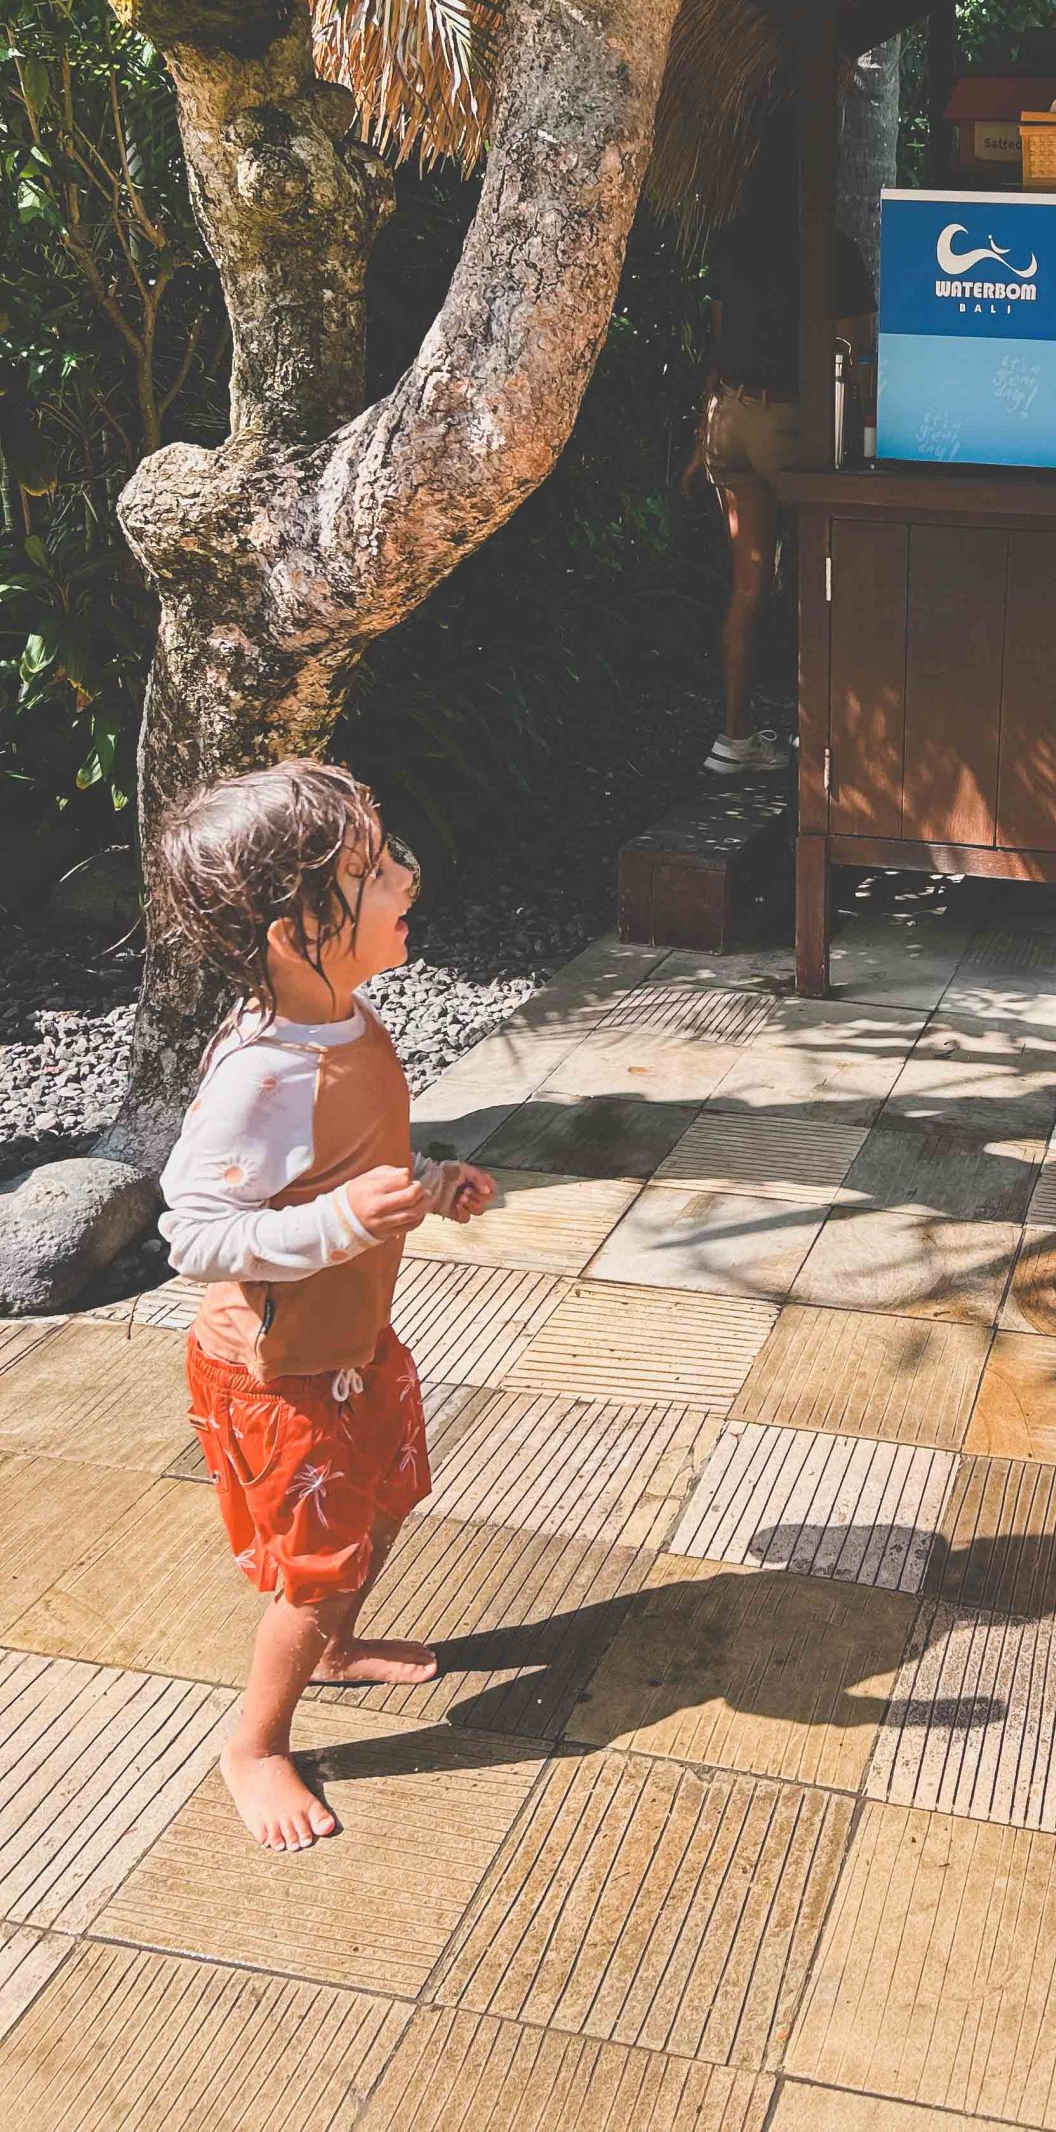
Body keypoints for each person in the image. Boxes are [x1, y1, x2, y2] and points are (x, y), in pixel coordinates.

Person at [151, 758, 497, 1850]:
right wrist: (338, 1225)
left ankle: (335, 1648)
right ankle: (255, 1744)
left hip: (353, 1343)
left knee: (387, 1497)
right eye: (376, 870)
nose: (407, 879)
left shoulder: (347, 1018)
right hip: (283, 1372)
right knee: (312, 1566)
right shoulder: (260, 1073)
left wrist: (429, 1185)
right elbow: (193, 1235)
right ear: (300, 931)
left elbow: (347, 1168)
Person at [682, 107, 874, 773]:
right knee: (815, 583)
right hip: (793, 424)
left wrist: (701, 432)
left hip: (730, 417)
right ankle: (810, 737)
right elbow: (855, 356)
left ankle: (734, 739)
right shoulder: (834, 250)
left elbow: (720, 342)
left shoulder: (732, 242)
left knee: (747, 586)